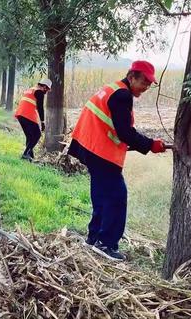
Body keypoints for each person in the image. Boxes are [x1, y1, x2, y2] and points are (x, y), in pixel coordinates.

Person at [68, 60, 168, 260]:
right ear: (132, 77)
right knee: (116, 196)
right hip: (100, 151)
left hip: (88, 146)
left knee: (101, 195)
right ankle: (106, 244)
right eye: (144, 82)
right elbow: (124, 132)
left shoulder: (113, 88)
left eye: (150, 84)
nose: (146, 87)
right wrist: (150, 145)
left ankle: (93, 238)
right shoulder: (123, 95)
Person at [14, 78, 52, 161]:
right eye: (47, 89)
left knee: (30, 136)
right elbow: (40, 108)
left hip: (20, 114)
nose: (47, 92)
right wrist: (42, 122)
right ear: (44, 87)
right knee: (37, 134)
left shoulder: (31, 89)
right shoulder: (40, 92)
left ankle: (30, 157)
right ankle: (25, 154)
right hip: (27, 115)